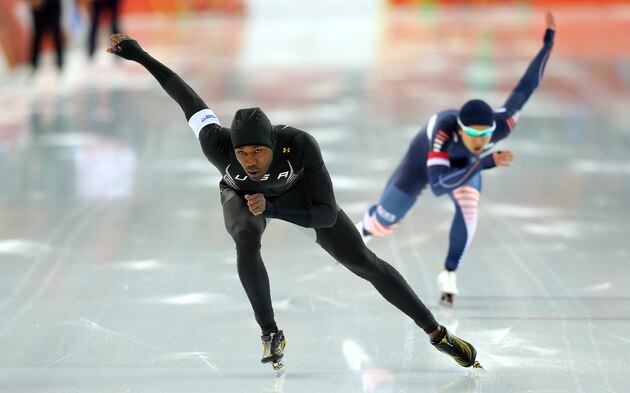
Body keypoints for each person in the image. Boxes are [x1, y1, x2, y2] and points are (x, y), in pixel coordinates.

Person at [106, 33, 481, 371]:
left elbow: (325, 213)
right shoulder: (215, 143)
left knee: (363, 262)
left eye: (258, 152)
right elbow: (184, 95)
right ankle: (270, 332)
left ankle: (437, 333)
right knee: (246, 239)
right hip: (242, 197)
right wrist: (140, 56)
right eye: (242, 153)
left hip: (300, 199)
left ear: (273, 145)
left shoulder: (299, 146)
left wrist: (272, 208)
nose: (249, 160)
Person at [356, 11, 556, 308]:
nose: (480, 142)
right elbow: (437, 186)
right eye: (473, 135)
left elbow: (527, 86)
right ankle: (367, 225)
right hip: (423, 161)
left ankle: (448, 271)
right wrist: (484, 162)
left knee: (469, 208)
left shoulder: (503, 124)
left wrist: (548, 41)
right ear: (460, 130)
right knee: (385, 224)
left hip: (462, 168)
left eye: (485, 135)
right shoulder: (442, 130)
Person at [28, 0, 64, 71]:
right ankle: (33, 64)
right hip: (38, 6)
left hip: (52, 5)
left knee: (56, 31)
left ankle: (60, 61)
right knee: (37, 35)